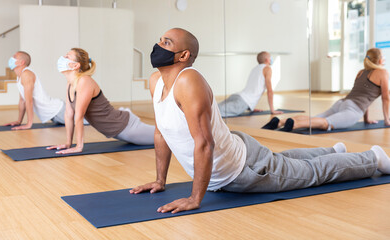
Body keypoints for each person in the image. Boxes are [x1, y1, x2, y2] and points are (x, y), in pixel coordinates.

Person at [130, 28, 390, 214]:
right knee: (283, 162)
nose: (158, 46)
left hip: (243, 171)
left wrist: (195, 198)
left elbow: (204, 143)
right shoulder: (156, 82)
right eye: (160, 40)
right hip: (238, 152)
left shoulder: (188, 80)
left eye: (166, 42)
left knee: (311, 174)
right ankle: (332, 151)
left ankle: (373, 158)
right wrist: (159, 180)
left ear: (183, 55)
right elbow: (161, 134)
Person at [47, 48, 155, 154]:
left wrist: (79, 147)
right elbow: (68, 114)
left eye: (67, 56)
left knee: (165, 136)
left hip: (127, 128)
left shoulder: (84, 81)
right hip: (119, 128)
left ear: (76, 65)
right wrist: (68, 143)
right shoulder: (70, 84)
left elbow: (79, 116)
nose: (63, 58)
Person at [263, 48, 389, 132]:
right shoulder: (382, 73)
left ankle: (280, 122)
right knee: (325, 123)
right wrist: (387, 120)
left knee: (316, 118)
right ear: (378, 60)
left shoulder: (361, 72)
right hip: (353, 110)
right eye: (382, 57)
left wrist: (366, 119)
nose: (384, 59)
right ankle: (294, 124)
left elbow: (363, 95)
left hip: (342, 103)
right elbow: (386, 98)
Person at [5, 51, 66, 130]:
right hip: (54, 114)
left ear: (21, 62)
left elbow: (29, 101)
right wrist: (19, 121)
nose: (12, 58)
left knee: (86, 121)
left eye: (14, 57)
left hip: (59, 111)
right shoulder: (19, 76)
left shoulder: (26, 74)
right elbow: (22, 100)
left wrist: (29, 124)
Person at [217, 51, 283, 117]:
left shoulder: (255, 69)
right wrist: (272, 110)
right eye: (270, 57)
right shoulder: (267, 68)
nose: (271, 58)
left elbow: (252, 88)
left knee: (214, 108)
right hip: (242, 102)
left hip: (236, 96)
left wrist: (251, 107)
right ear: (267, 60)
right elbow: (270, 91)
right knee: (215, 112)